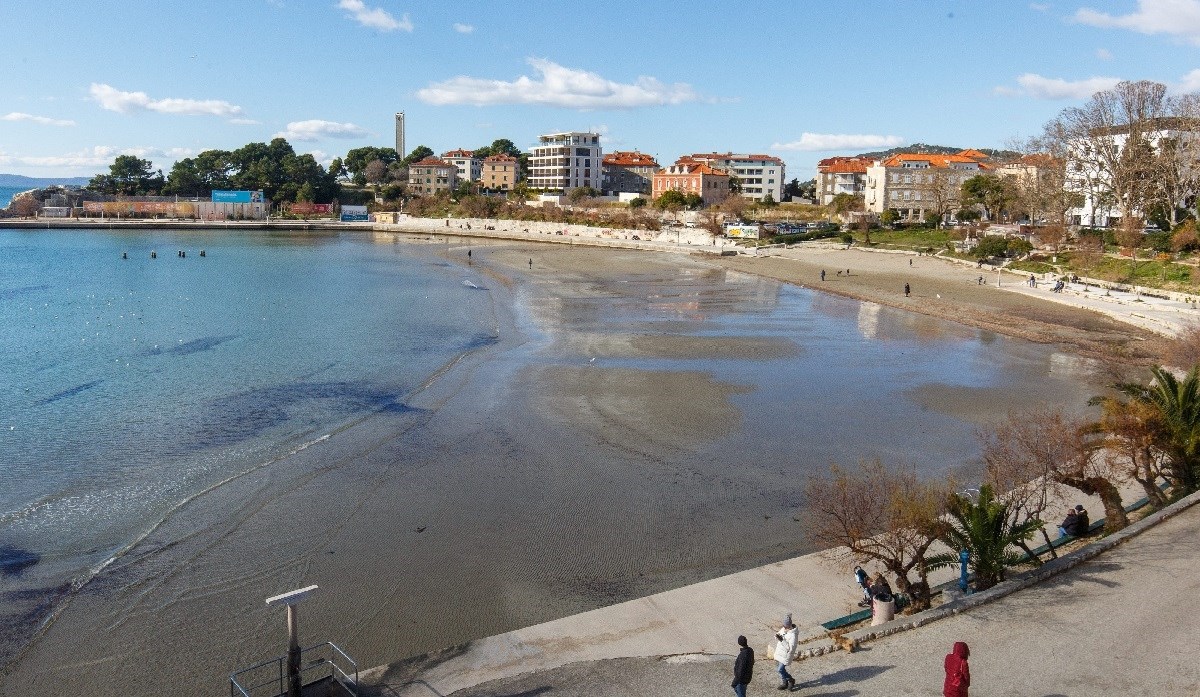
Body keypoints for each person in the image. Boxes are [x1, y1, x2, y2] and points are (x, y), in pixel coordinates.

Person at [773, 613, 799, 690]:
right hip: (779, 653)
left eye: (785, 626)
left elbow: (790, 648)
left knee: (780, 669)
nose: (783, 627)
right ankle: (785, 682)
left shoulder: (793, 635)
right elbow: (779, 633)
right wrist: (777, 636)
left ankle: (791, 680)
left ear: (789, 625)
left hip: (785, 655)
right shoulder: (784, 629)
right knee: (780, 670)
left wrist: (782, 640)